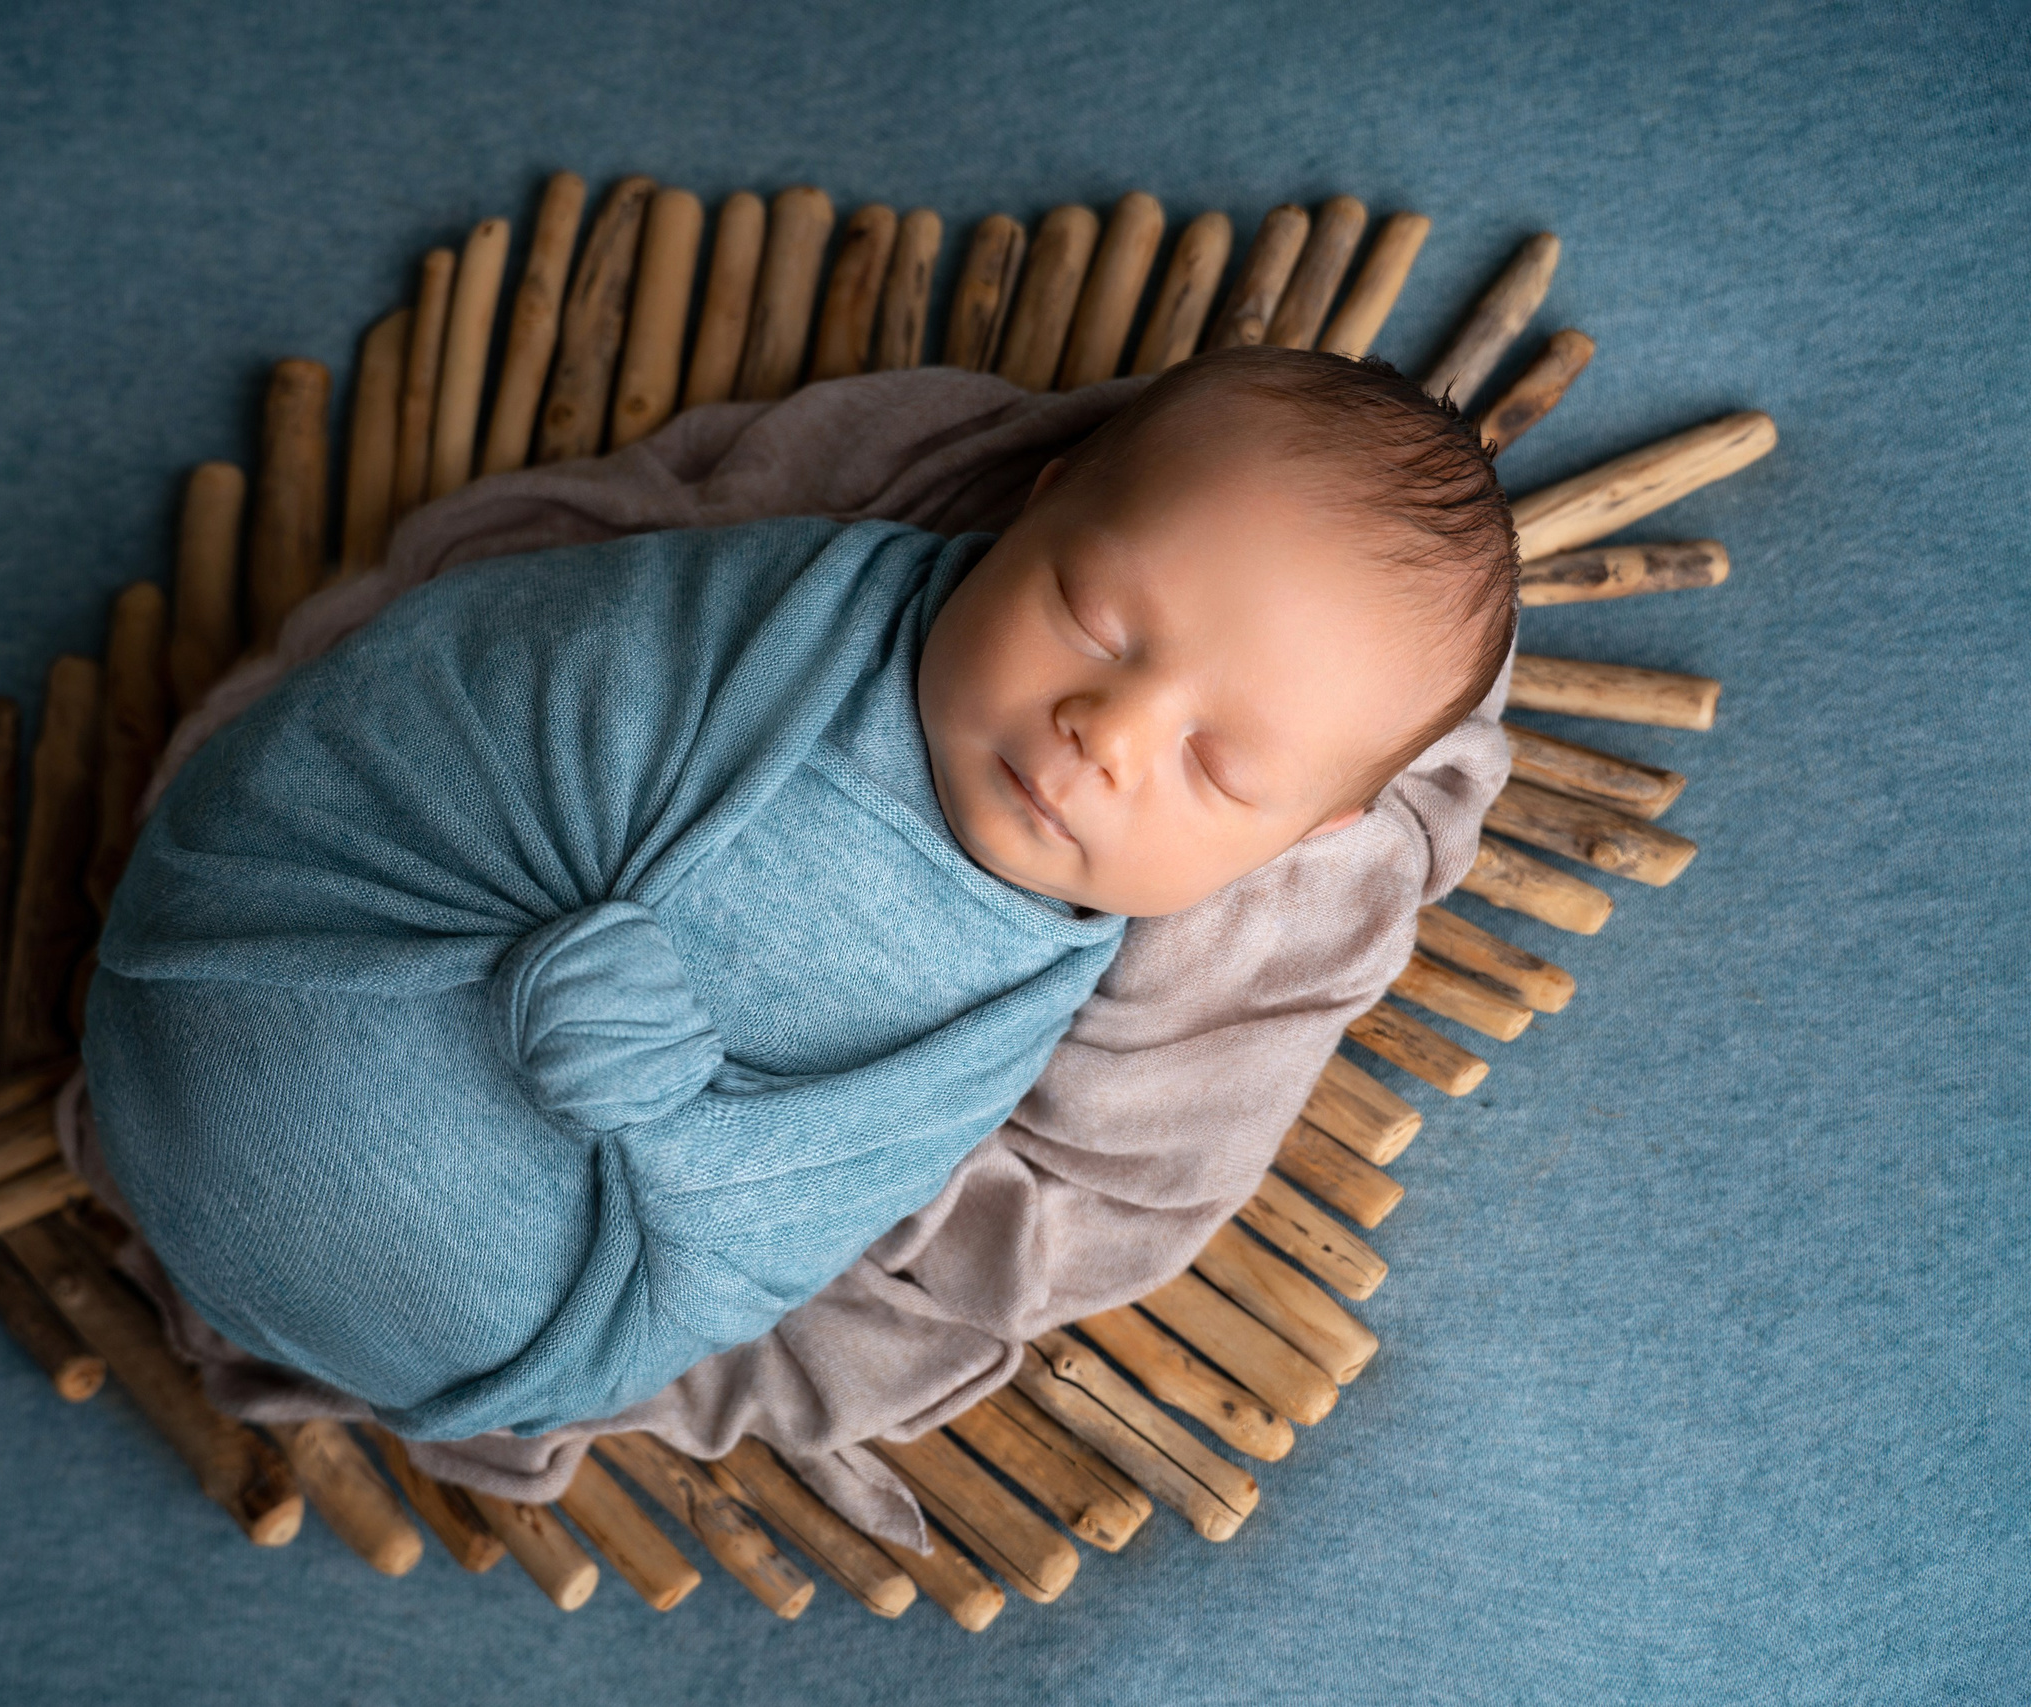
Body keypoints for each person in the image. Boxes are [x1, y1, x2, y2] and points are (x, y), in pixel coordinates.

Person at [80, 346, 1519, 1441]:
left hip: (484, 1321)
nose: (1110, 733)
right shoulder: (791, 613)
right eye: (1095, 617)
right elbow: (485, 676)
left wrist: (665, 1107)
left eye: (1217, 766)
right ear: (1038, 501)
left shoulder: (1025, 995)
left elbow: (816, 1204)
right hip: (235, 970)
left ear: (1302, 837)